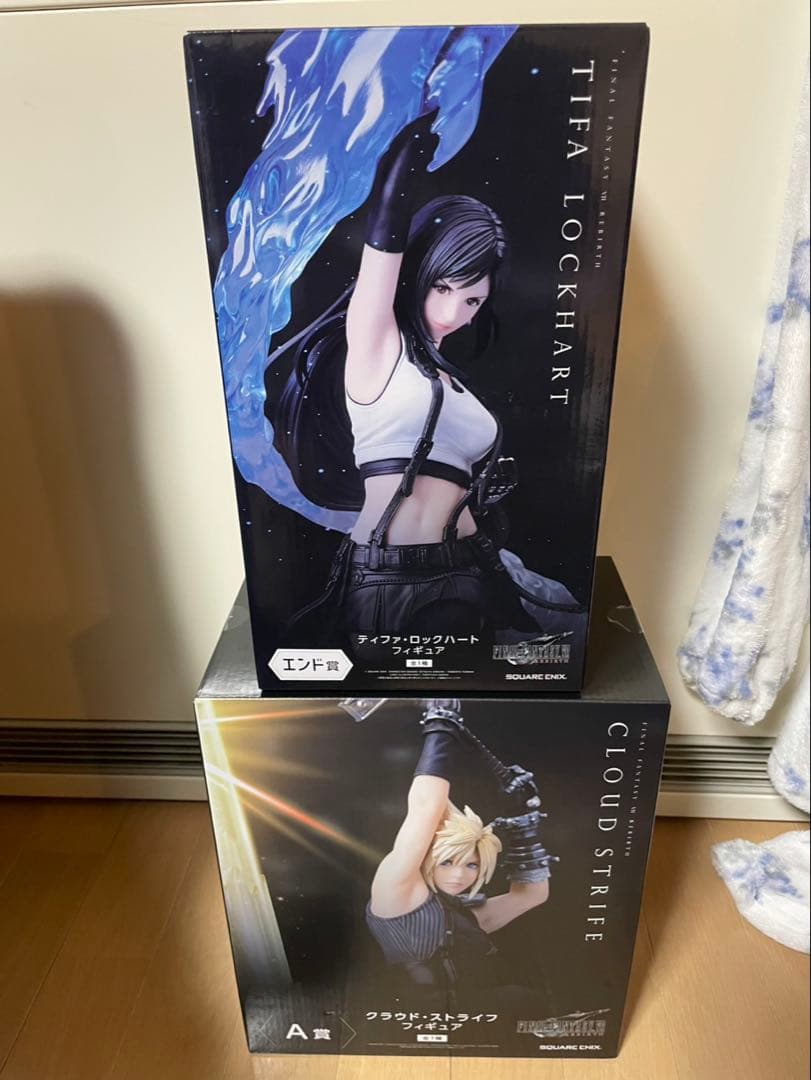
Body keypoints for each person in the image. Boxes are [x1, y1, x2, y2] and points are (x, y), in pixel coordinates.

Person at [271, 112, 582, 641]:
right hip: (391, 574)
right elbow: (383, 246)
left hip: (476, 566)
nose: (454, 313)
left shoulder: (454, 383)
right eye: (444, 288)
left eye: (473, 300)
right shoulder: (378, 347)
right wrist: (405, 160)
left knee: (562, 640)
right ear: (421, 274)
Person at [365, 700, 553, 1005]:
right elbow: (426, 808)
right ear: (429, 857)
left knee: (528, 999)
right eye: (448, 862)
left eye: (472, 865)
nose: (459, 875)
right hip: (425, 1016)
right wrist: (441, 725)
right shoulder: (396, 890)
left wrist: (523, 820)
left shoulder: (460, 918)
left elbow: (531, 895)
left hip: (481, 1012)